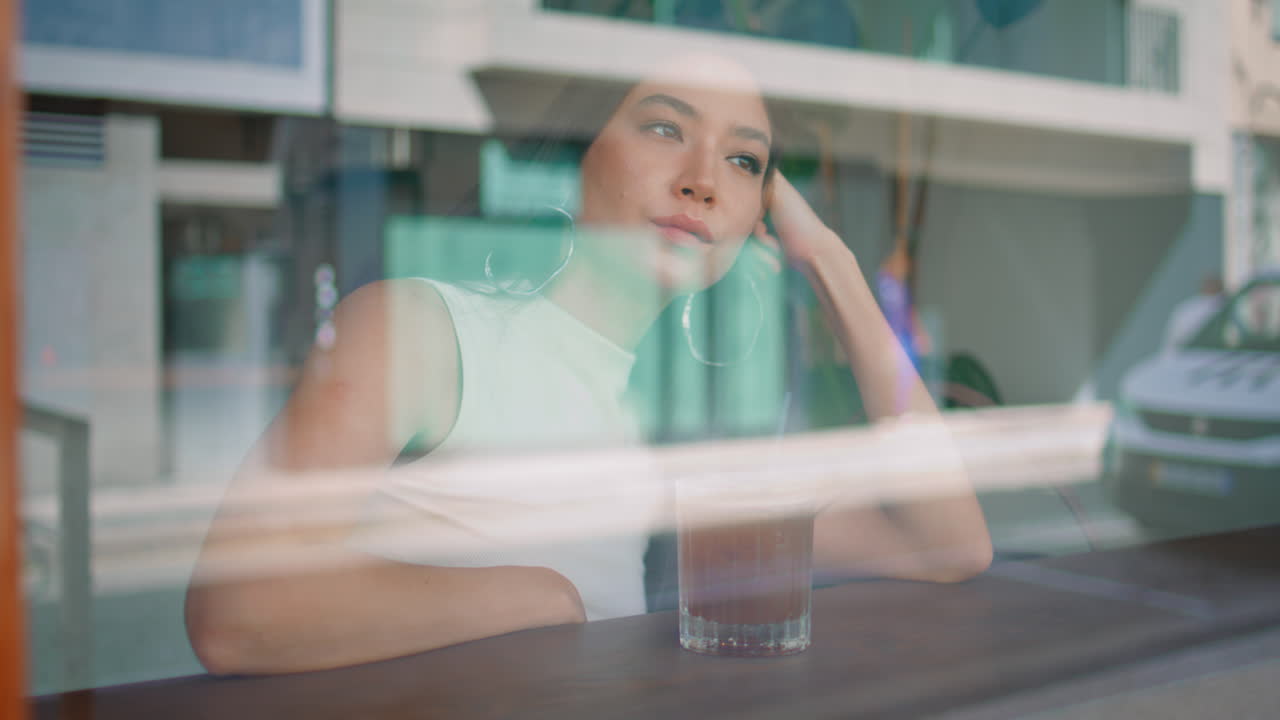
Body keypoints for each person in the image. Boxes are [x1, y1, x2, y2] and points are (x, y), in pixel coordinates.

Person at [185, 53, 992, 675]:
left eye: (745, 162)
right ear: (577, 153)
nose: (704, 182)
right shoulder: (421, 329)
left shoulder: (686, 428)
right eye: (666, 129)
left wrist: (835, 270)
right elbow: (241, 609)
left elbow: (949, 546)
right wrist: (546, 598)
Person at [1163, 273, 1225, 352]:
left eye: (1214, 284)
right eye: (1209, 284)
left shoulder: (1224, 306)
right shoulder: (1188, 309)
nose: (1210, 287)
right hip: (1192, 355)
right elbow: (1175, 341)